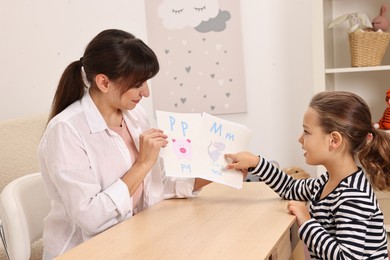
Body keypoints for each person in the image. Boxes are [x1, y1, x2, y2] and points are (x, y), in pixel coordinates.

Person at [38, 29, 211, 259]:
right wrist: (142, 164)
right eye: (138, 84)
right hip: (83, 251)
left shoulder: (135, 116)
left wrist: (214, 171)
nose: (146, 93)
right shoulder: (65, 131)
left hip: (132, 240)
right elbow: (91, 218)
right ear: (104, 82)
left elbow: (152, 190)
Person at [225, 91, 390, 259]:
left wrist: (307, 221)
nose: (300, 139)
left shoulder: (354, 196)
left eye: (306, 131)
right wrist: (256, 163)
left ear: (334, 140)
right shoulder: (326, 182)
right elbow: (290, 187)